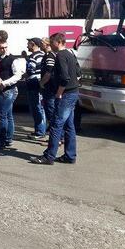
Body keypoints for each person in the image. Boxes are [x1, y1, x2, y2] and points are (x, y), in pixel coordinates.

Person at [31, 33, 81, 165]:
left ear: (59, 42)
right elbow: (77, 73)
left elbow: (65, 77)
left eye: (52, 42)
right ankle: (70, 156)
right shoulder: (70, 53)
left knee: (56, 124)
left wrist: (59, 92)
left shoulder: (60, 55)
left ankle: (49, 156)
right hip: (73, 92)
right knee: (69, 125)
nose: (50, 44)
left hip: (66, 94)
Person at [0, 41, 26, 149]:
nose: (4, 49)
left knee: (2, 116)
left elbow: (18, 75)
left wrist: (5, 83)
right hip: (1, 89)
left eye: (5, 47)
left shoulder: (12, 59)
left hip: (9, 90)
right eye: (1, 48)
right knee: (7, 116)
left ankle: (1, 140)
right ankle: (7, 139)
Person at [25, 37, 46, 139]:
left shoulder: (33, 56)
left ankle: (40, 131)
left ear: (33, 44)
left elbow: (30, 70)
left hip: (33, 83)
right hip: (41, 82)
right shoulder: (42, 54)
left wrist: (24, 75)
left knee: (36, 107)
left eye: (29, 43)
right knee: (40, 107)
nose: (27, 45)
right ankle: (41, 129)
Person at [39, 37, 57, 130]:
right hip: (49, 88)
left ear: (47, 44)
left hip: (50, 88)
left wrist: (42, 83)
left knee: (51, 111)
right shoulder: (46, 55)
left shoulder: (50, 56)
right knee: (49, 110)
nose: (40, 44)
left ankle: (57, 136)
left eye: (42, 42)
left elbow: (49, 72)